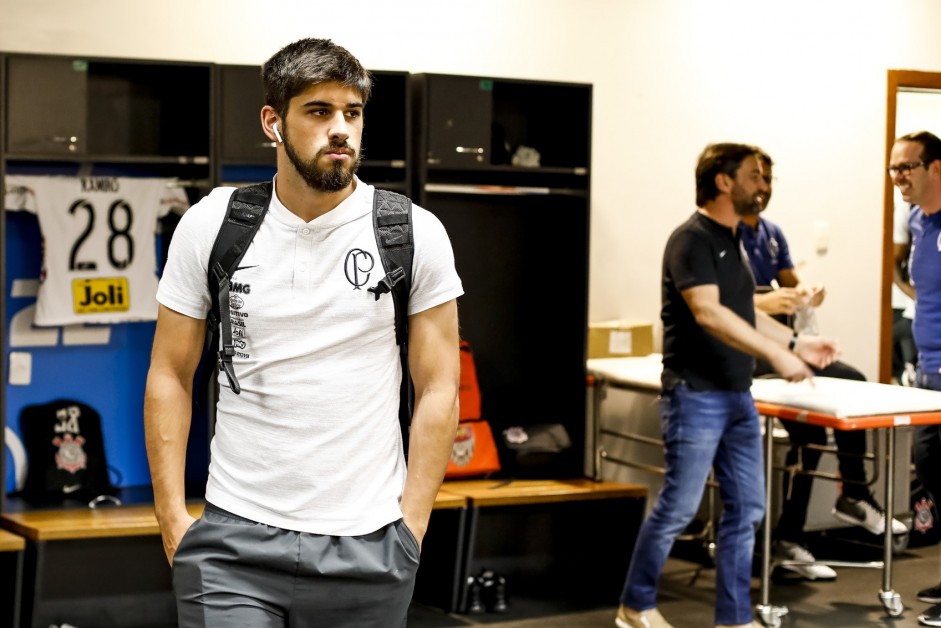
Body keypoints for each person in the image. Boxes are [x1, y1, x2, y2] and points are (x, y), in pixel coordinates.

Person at [143, 38, 464, 628]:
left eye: (353, 112)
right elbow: (169, 372)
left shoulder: (413, 232)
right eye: (319, 111)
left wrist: (411, 528)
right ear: (273, 121)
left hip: (368, 542)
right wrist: (171, 518)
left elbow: (440, 386)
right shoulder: (212, 224)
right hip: (234, 540)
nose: (340, 128)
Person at [616, 143, 840, 628]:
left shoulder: (734, 241)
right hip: (695, 395)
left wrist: (799, 343)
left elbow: (743, 314)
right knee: (678, 506)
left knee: (748, 510)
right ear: (723, 180)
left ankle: (734, 618)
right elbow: (709, 313)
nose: (764, 186)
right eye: (755, 177)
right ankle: (634, 606)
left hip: (737, 396)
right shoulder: (691, 239)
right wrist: (779, 355)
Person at [738, 152, 907, 582]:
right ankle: (782, 539)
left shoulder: (771, 233)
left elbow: (792, 283)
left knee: (854, 382)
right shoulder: (723, 236)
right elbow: (719, 301)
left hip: (786, 345)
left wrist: (809, 291)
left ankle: (854, 493)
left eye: (768, 178)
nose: (763, 186)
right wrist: (767, 302)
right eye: (756, 177)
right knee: (808, 436)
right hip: (748, 353)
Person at [887, 130, 941, 628]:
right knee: (930, 465)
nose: (899, 177)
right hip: (927, 370)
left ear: (936, 168)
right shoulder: (918, 221)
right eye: (894, 169)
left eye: (907, 167)